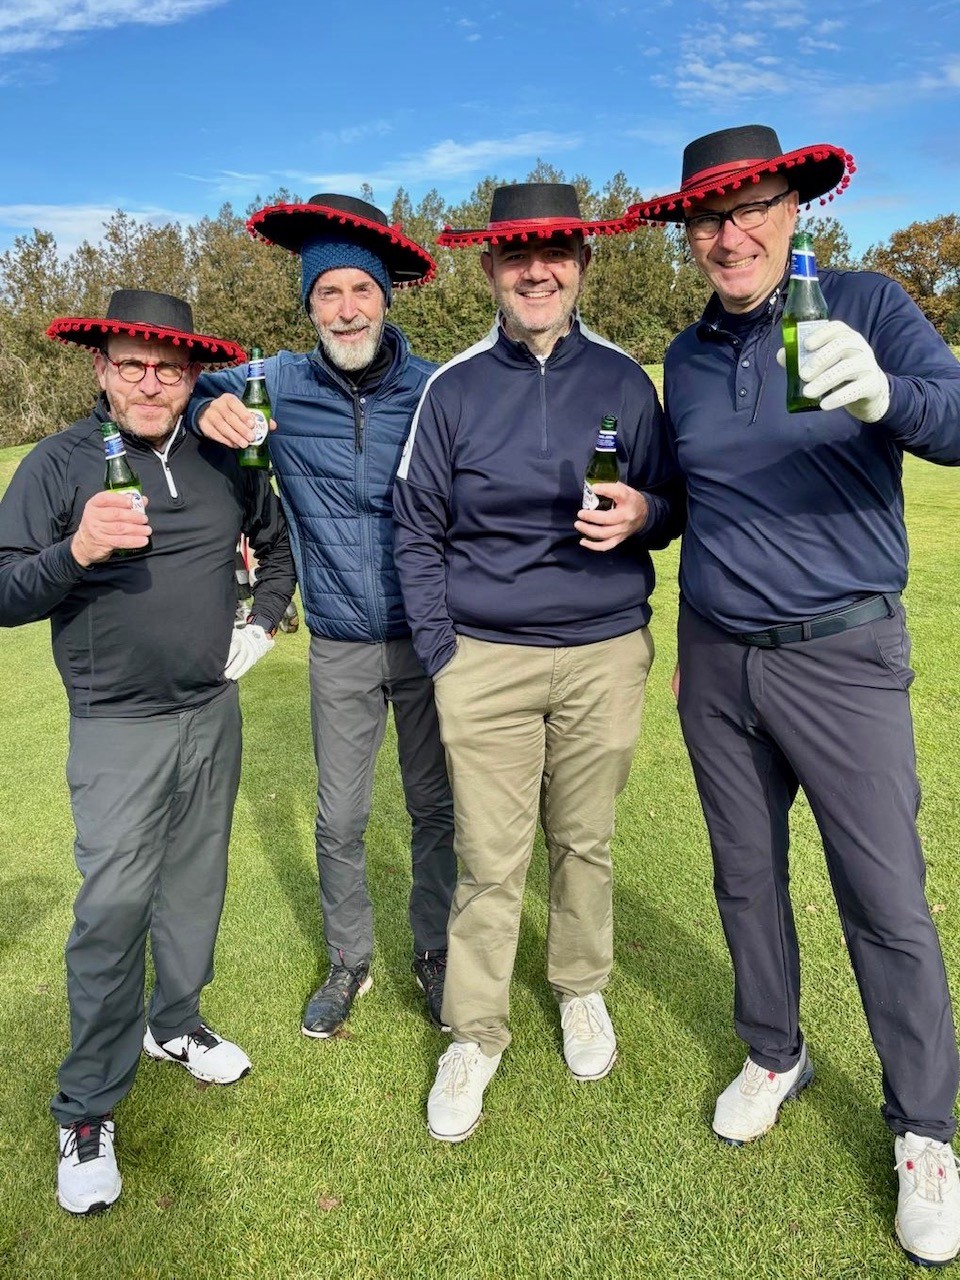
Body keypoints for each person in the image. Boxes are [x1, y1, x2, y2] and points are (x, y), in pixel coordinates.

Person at [628, 125, 960, 1267]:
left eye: (753, 209)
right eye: (708, 219)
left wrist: (887, 398)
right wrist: (647, 517)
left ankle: (925, 1128)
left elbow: (956, 417)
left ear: (792, 212)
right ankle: (775, 1050)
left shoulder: (863, 304)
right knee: (744, 875)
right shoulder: (685, 354)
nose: (731, 236)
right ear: (689, 235)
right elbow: (689, 499)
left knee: (885, 894)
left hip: (842, 654)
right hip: (720, 660)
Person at [393, 183, 684, 1142]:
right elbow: (415, 531)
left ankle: (579, 986)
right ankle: (475, 1031)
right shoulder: (453, 388)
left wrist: (645, 512)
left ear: (582, 265)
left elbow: (673, 502)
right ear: (490, 269)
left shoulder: (625, 381)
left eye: (555, 253)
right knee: (489, 858)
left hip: (604, 653)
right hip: (486, 660)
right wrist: (443, 653)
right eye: (516, 255)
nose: (536, 271)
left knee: (585, 839)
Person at [0, 289, 296, 1215]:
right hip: (117, 724)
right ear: (100, 367)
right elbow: (4, 590)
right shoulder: (58, 465)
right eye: (132, 365)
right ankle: (86, 1107)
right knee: (112, 914)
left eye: (170, 368)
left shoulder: (223, 455)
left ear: (193, 375)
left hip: (213, 711)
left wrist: (265, 622)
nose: (151, 384)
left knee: (195, 890)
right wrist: (77, 552)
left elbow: (277, 545)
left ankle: (175, 1022)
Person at [188, 195, 457, 1038]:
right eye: (327, 293)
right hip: (339, 645)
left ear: (386, 297)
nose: (346, 309)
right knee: (340, 818)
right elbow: (181, 386)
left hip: (427, 640)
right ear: (309, 306)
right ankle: (350, 959)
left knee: (436, 809)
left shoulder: (434, 388)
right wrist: (202, 408)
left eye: (360, 290)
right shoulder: (275, 383)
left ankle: (436, 951)